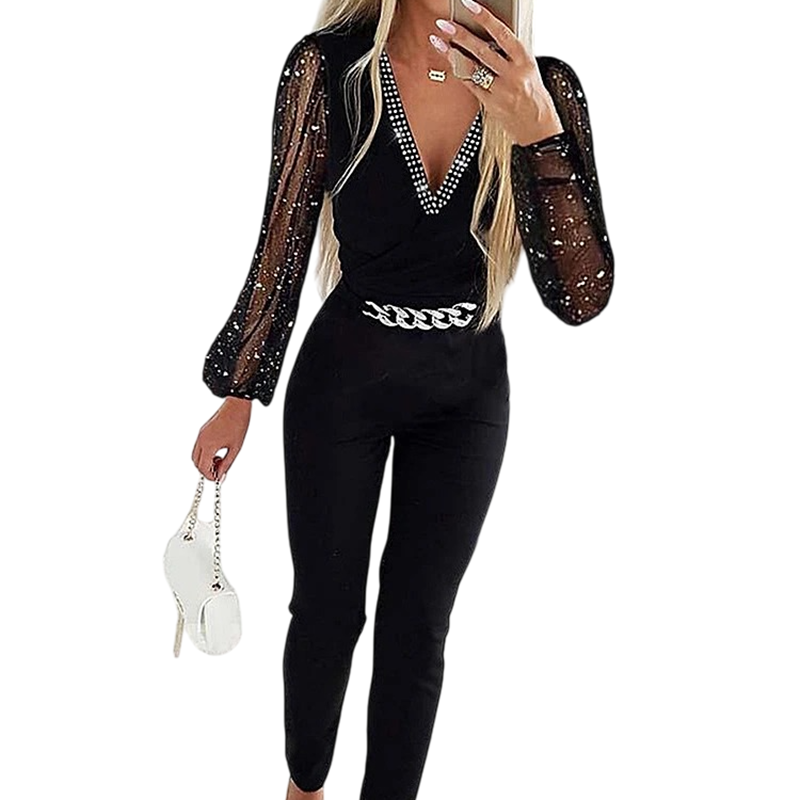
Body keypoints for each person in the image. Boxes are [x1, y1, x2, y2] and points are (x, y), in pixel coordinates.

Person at [191, 0, 614, 797]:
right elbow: (282, 238)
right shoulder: (331, 69)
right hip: (343, 381)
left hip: (468, 394)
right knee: (327, 612)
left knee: (419, 629)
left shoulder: (543, 88)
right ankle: (305, 788)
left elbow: (580, 296)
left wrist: (538, 132)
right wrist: (239, 390)